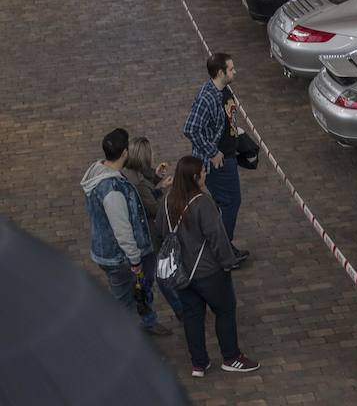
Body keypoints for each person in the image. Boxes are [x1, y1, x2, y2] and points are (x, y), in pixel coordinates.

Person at [154, 156, 259, 378]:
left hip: (181, 272)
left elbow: (161, 231)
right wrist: (228, 262)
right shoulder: (203, 203)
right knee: (224, 310)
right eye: (203, 172)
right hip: (208, 272)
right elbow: (217, 238)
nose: (205, 174)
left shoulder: (166, 201)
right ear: (194, 177)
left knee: (192, 316)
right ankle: (231, 357)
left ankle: (199, 363)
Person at [80, 128, 172, 336]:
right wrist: (135, 260)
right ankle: (124, 340)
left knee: (139, 290)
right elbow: (122, 230)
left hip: (113, 252)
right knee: (124, 303)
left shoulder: (102, 169)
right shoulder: (112, 190)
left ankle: (147, 321)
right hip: (120, 257)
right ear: (124, 154)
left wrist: (155, 182)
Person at [183, 52, 249, 266]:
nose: (235, 71)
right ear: (220, 72)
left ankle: (221, 245)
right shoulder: (207, 97)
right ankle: (223, 250)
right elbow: (191, 129)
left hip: (228, 156)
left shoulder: (223, 90)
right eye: (231, 69)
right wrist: (212, 152)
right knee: (231, 202)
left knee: (226, 203)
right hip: (217, 163)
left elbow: (226, 119)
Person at [124, 136, 183, 320]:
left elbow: (146, 181)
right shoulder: (139, 184)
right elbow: (154, 208)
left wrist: (156, 177)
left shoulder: (129, 173)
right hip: (148, 235)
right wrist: (164, 191)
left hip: (142, 233)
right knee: (160, 274)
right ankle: (179, 310)